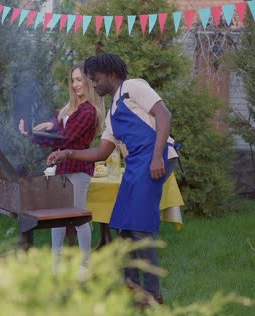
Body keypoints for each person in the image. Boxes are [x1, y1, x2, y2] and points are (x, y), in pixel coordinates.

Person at [47, 53, 178, 304]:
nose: (93, 85)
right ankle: (131, 287)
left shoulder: (133, 88)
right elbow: (101, 151)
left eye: (95, 79)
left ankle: (152, 294)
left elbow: (164, 116)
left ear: (111, 73)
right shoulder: (111, 114)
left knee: (139, 226)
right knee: (123, 225)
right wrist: (68, 153)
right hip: (135, 164)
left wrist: (157, 158)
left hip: (156, 157)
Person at [19, 63, 105, 279]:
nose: (76, 84)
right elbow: (57, 124)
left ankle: (85, 266)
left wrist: (33, 134)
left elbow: (65, 137)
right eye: (73, 80)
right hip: (63, 168)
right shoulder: (72, 107)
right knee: (56, 216)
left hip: (79, 169)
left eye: (79, 79)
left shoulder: (89, 111)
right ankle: (55, 263)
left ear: (88, 81)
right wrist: (46, 126)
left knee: (79, 217)